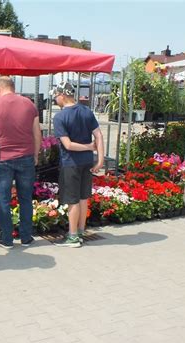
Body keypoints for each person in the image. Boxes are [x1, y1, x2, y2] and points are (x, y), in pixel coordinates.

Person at [0, 76, 42, 249]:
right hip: (26, 157)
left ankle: (6, 239)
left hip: (3, 159)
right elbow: (37, 134)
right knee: (26, 198)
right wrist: (35, 154)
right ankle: (26, 237)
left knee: (4, 200)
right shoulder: (29, 104)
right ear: (12, 87)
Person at [51, 82, 104, 248]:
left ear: (63, 95)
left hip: (71, 163)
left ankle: (72, 237)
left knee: (72, 200)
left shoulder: (59, 117)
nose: (55, 99)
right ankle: (80, 230)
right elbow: (99, 135)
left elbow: (68, 145)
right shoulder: (86, 111)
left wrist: (88, 147)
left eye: (56, 96)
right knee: (83, 198)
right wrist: (100, 159)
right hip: (87, 162)